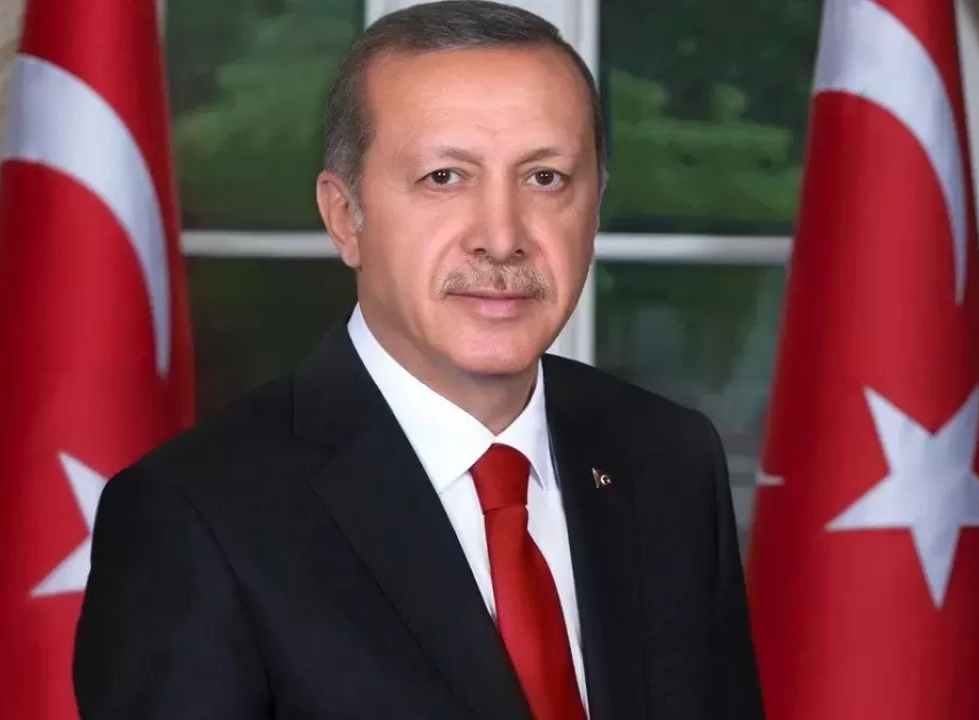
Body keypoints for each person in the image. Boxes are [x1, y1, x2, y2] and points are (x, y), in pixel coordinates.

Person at [72, 1, 764, 718]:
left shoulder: (670, 460)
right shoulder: (194, 518)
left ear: (595, 205)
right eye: (444, 177)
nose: (502, 237)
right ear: (346, 216)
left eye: (545, 178)